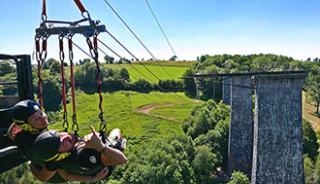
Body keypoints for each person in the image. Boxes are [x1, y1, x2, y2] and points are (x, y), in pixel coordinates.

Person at [29, 126, 127, 183]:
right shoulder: (82, 155)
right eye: (63, 143)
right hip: (105, 164)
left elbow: (66, 175)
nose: (66, 137)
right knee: (116, 134)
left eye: (60, 135)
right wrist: (100, 146)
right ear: (60, 155)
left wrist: (31, 164)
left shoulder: (55, 161)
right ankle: (120, 144)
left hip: (93, 168)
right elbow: (123, 161)